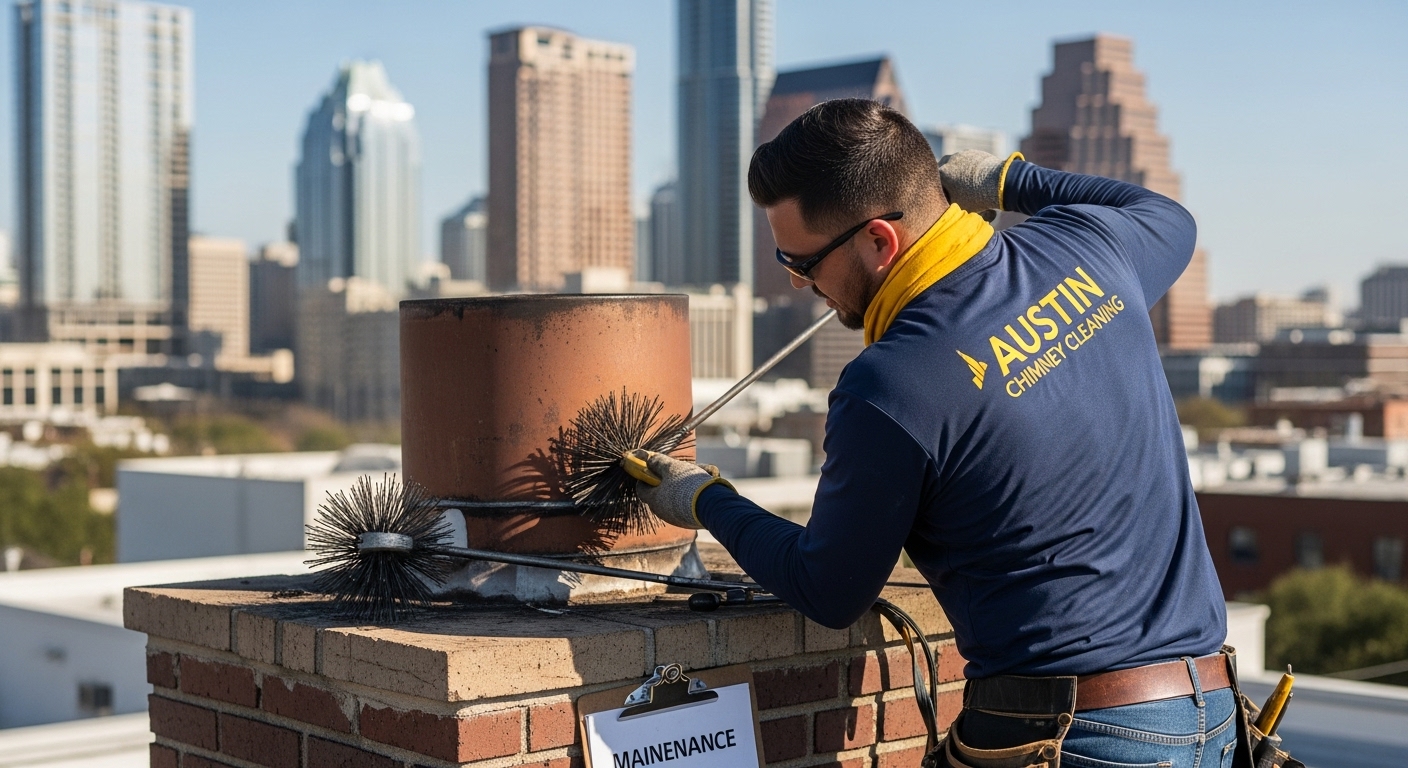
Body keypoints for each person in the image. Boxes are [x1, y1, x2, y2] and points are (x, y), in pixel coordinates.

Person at [635, 98, 1234, 768]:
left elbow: (829, 589)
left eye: (801, 263)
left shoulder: (893, 383)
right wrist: (1010, 180)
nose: (800, 283)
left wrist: (704, 499)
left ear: (879, 241)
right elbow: (1167, 217)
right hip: (1210, 716)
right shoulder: (1087, 250)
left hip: (1077, 739)